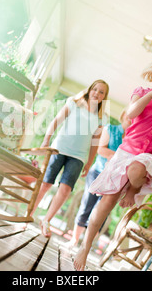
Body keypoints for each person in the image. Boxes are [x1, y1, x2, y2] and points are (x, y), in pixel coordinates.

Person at [73, 51, 152, 270]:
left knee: (137, 169)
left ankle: (132, 190)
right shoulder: (142, 92)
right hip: (127, 151)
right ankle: (85, 246)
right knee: (106, 202)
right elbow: (131, 113)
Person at [31, 80, 110, 237]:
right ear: (89, 90)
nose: (97, 93)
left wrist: (89, 162)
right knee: (46, 183)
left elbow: (95, 142)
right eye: (95, 89)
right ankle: (29, 212)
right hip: (58, 149)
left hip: (78, 157)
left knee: (65, 189)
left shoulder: (102, 118)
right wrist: (46, 140)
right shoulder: (74, 103)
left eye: (101, 92)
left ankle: (46, 221)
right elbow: (56, 121)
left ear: (104, 97)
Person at [67, 110, 131, 249]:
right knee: (86, 206)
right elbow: (101, 149)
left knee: (101, 212)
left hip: (115, 180)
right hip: (97, 173)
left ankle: (86, 244)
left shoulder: (132, 139)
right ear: (123, 115)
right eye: (129, 114)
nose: (131, 118)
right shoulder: (110, 129)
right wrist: (120, 157)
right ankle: (74, 240)